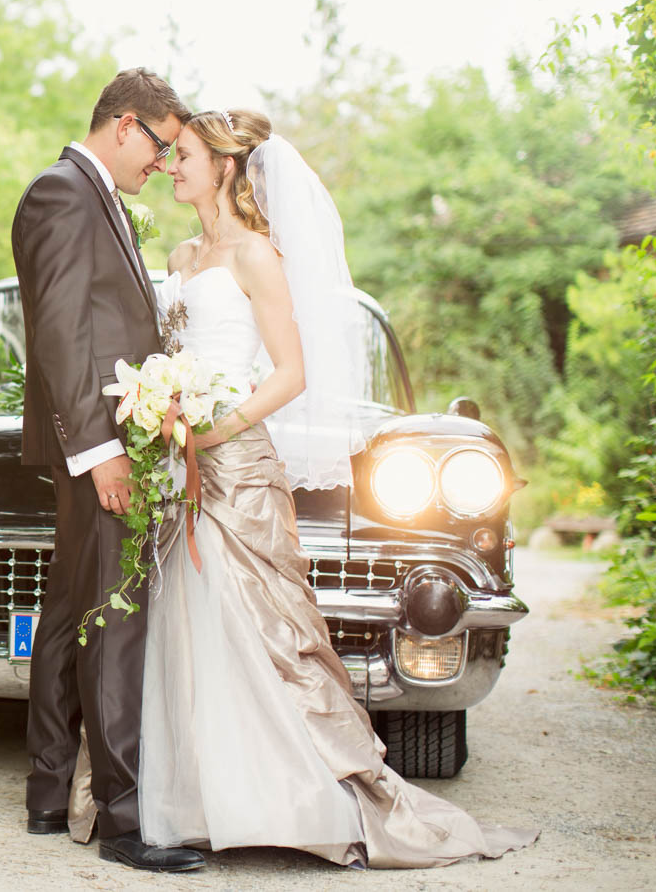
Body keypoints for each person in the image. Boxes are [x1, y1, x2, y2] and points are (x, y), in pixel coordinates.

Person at [69, 108, 537, 867]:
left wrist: (215, 427)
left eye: (182, 154)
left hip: (235, 464)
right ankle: (183, 801)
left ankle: (287, 802)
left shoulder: (259, 255)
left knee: (257, 630)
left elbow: (291, 373)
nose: (168, 165)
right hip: (176, 462)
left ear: (224, 166)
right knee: (181, 629)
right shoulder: (182, 252)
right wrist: (157, 407)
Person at [9, 68, 204, 873]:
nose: (160, 164)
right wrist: (102, 452)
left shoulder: (95, 196)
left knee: (66, 614)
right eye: (159, 146)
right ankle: (124, 821)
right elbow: (59, 334)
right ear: (125, 124)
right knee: (114, 622)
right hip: (100, 449)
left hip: (105, 440)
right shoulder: (60, 193)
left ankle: (49, 791)